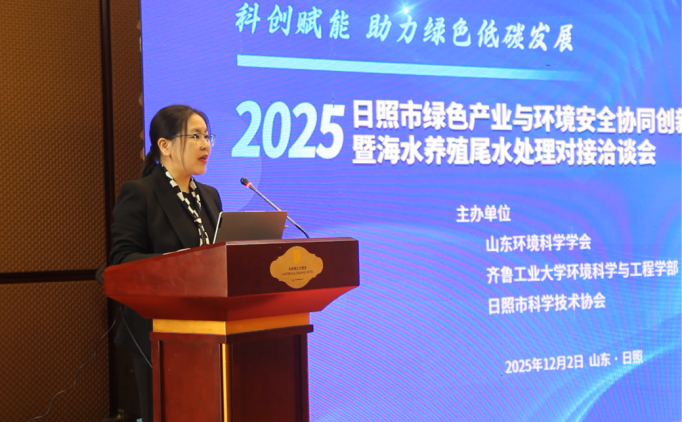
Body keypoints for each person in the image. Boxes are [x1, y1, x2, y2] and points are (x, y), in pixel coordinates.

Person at [109, 105, 222, 422]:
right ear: (165, 145)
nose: (205, 145)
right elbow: (123, 260)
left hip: (209, 328)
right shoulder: (140, 193)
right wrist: (178, 264)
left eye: (208, 136)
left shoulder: (210, 196)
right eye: (196, 136)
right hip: (158, 332)